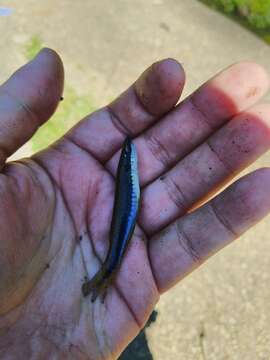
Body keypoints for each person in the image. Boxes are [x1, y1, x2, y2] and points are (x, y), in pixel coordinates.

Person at [0, 48, 270, 359]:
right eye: (129, 156)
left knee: (118, 244)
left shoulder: (127, 165)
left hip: (120, 233)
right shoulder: (126, 164)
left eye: (128, 155)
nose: (129, 156)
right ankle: (104, 277)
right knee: (119, 243)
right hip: (120, 233)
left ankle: (104, 277)